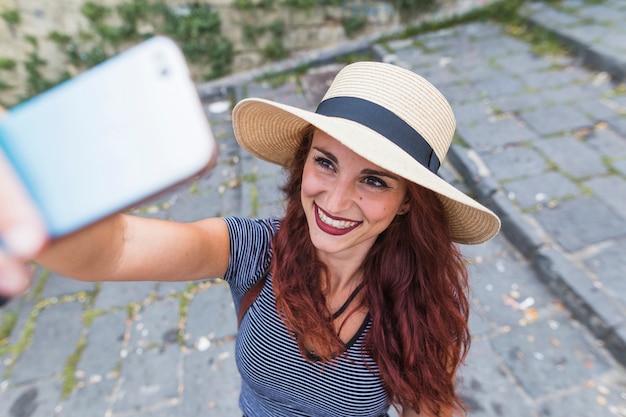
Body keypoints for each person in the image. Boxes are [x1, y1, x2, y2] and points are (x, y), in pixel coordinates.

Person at [0, 61, 500, 416]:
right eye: (325, 162)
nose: (336, 199)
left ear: (407, 202)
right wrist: (34, 195)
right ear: (303, 162)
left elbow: (431, 407)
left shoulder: (420, 299)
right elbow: (115, 249)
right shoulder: (254, 251)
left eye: (374, 180)